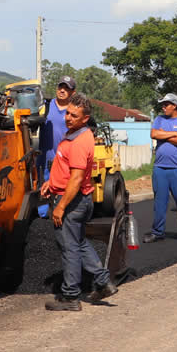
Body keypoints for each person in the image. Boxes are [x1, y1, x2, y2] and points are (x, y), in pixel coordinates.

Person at [41, 93, 117, 311]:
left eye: (74, 115)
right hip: (76, 199)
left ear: (85, 119)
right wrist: (51, 183)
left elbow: (75, 178)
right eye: (67, 113)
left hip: (72, 202)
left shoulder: (80, 142)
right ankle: (103, 282)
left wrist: (61, 206)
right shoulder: (75, 135)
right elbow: (67, 172)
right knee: (79, 243)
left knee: (69, 248)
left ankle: (70, 297)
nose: (68, 118)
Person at [146, 93, 177, 244]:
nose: (163, 107)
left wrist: (165, 135)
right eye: (162, 104)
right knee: (160, 202)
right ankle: (157, 232)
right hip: (160, 168)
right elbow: (153, 134)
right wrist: (174, 134)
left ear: (174, 105)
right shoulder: (159, 119)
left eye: (166, 104)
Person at [36, 76, 76, 216]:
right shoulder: (45, 107)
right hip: (45, 159)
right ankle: (43, 221)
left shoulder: (74, 111)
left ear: (73, 93)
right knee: (42, 193)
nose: (62, 90)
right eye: (60, 87)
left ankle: (62, 219)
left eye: (67, 88)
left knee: (62, 194)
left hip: (65, 160)